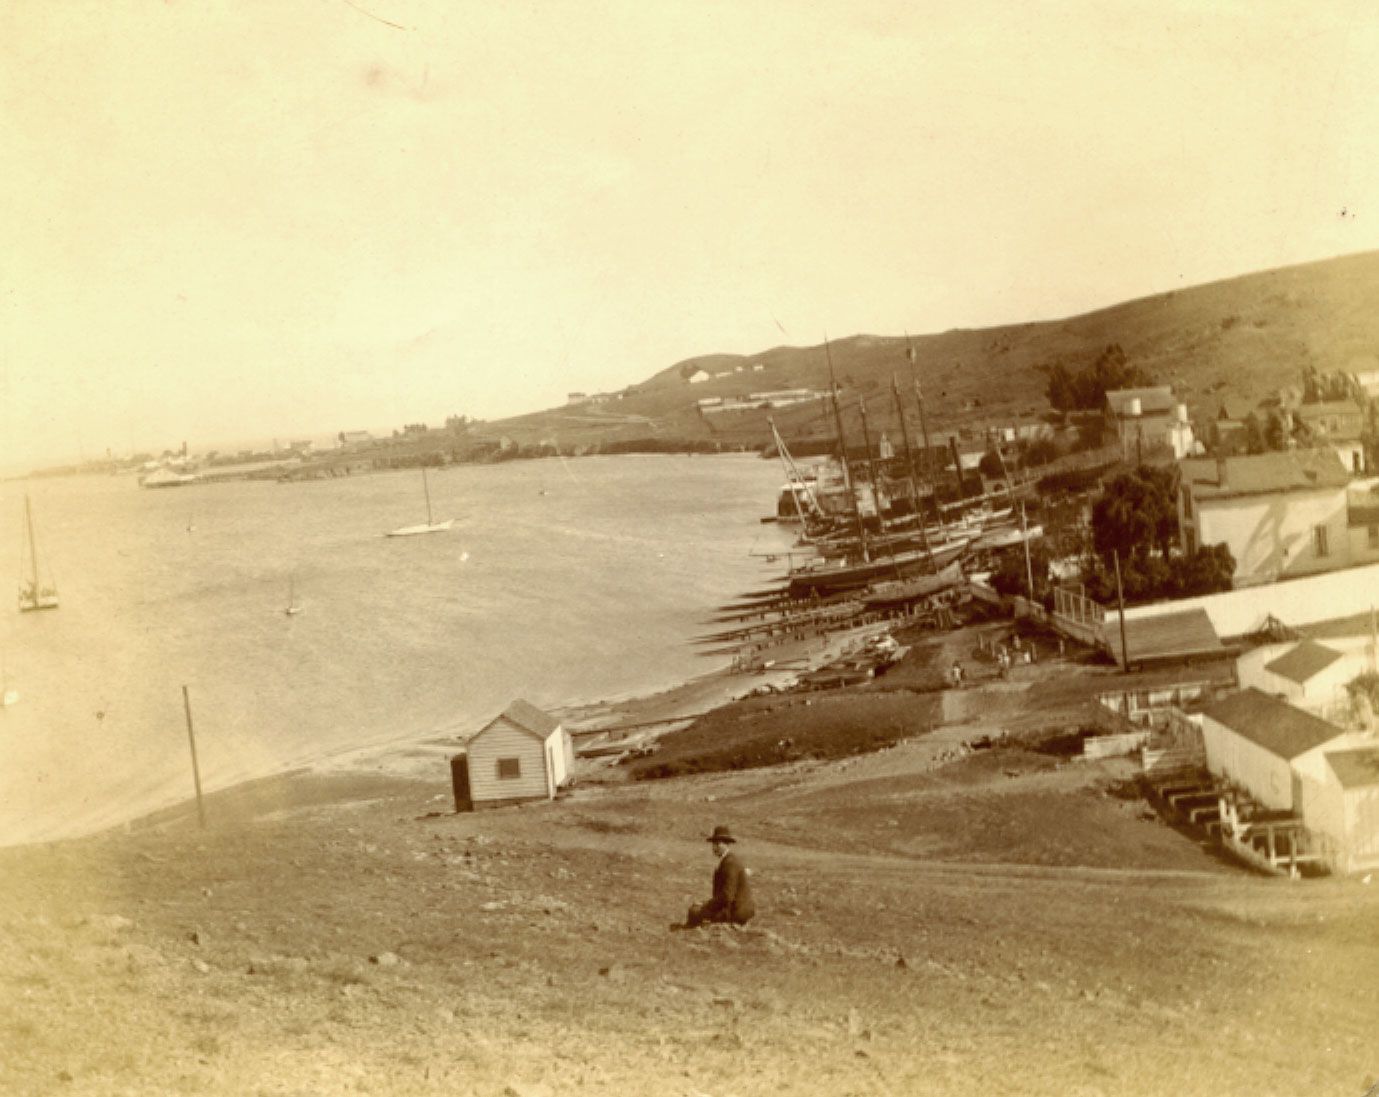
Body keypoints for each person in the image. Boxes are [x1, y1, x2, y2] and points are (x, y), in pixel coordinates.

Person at [682, 825, 755, 928]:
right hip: (736, 908)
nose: (714, 847)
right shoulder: (728, 860)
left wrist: (705, 905)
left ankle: (688, 934)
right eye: (713, 844)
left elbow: (727, 896)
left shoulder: (730, 863)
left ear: (726, 844)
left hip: (736, 912)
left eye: (717, 844)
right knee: (697, 909)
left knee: (694, 912)